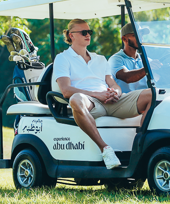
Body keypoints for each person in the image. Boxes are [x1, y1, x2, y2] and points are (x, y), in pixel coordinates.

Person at [53, 19, 152, 169]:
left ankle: (142, 147)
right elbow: (66, 90)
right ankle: (105, 149)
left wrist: (116, 92)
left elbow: (113, 84)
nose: (88, 35)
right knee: (75, 99)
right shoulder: (62, 58)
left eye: (89, 32)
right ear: (71, 35)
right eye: (84, 32)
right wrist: (96, 95)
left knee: (153, 94)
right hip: (90, 102)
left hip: (111, 100)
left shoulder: (100, 59)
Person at [108, 24, 158, 93]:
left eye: (141, 35)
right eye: (136, 35)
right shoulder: (116, 59)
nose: (141, 38)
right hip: (125, 100)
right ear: (124, 39)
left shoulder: (146, 60)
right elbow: (127, 77)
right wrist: (148, 68)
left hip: (146, 98)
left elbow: (159, 77)